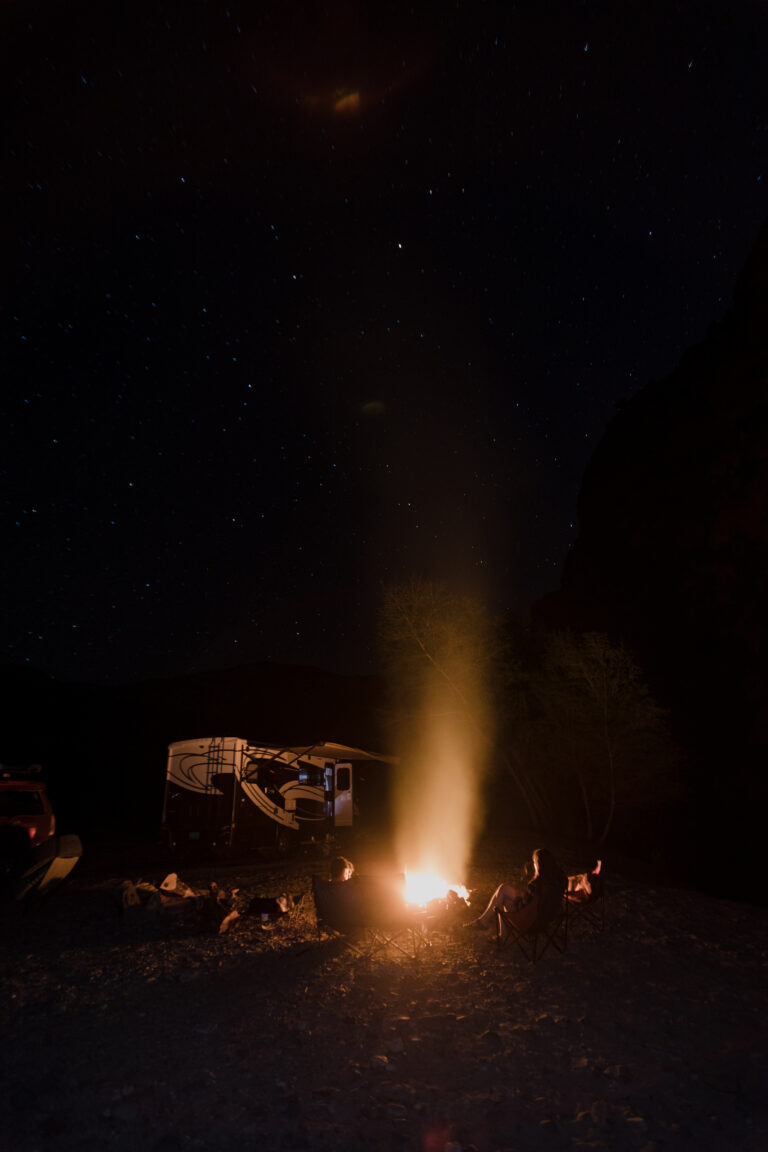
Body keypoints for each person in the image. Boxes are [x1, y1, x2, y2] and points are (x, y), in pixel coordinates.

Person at [465, 847, 566, 934]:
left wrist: (520, 896)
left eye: (534, 862)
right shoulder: (560, 879)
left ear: (539, 865)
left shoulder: (537, 884)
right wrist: (523, 895)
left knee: (503, 896)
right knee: (504, 889)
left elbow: (525, 906)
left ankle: (486, 924)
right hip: (547, 919)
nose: (533, 865)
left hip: (531, 922)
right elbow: (534, 901)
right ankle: (484, 922)